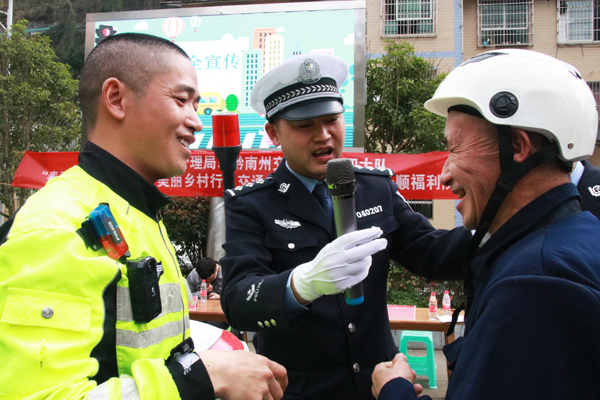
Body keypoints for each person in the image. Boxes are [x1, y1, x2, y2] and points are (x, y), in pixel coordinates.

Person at [0, 33, 287, 400]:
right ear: (116, 99)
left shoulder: (143, 216)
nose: (196, 122)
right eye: (182, 100)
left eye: (197, 106)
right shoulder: (58, 226)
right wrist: (200, 377)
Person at [219, 52, 472, 399]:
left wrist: (501, 230)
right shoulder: (252, 204)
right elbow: (237, 301)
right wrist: (300, 285)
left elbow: (430, 252)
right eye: (304, 125)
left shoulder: (375, 186)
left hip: (378, 384)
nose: (323, 135)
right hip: (302, 391)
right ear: (273, 133)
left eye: (332, 120)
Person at [372, 49, 600, 399]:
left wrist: (395, 390)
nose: (445, 174)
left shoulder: (536, 284)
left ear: (518, 146)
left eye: (455, 147)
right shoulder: (574, 238)